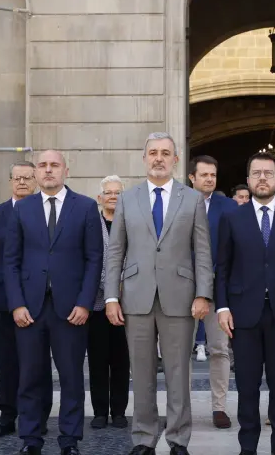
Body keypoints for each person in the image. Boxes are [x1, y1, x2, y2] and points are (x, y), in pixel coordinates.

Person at [104, 132, 212, 455]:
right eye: (153, 152)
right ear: (144, 158)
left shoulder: (191, 199)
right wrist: (111, 296)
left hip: (180, 297)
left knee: (179, 373)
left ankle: (178, 439)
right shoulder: (127, 198)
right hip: (135, 296)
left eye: (166, 152)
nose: (159, 158)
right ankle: (143, 438)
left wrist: (203, 293)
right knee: (141, 372)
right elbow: (115, 252)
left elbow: (202, 251)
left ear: (176, 160)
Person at [5, 150, 103, 455]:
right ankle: (30, 439)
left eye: (54, 165)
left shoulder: (86, 207)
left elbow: (94, 259)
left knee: (72, 377)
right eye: (43, 165)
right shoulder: (22, 209)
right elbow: (10, 261)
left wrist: (86, 303)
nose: (48, 170)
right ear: (35, 172)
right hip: (30, 309)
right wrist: (16, 304)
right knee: (30, 377)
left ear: (66, 170)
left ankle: (70, 439)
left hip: (71, 309)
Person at [215, 153, 275, 455]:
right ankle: (248, 446)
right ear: (248, 179)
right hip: (243, 315)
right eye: (256, 173)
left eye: (268, 173)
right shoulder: (232, 217)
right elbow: (223, 267)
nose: (262, 178)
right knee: (247, 386)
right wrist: (222, 307)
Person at [0, 161, 52, 439]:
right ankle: (8, 414)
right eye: (17, 178)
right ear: (10, 180)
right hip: (3, 297)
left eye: (28, 177)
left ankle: (39, 415)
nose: (22, 182)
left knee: (38, 361)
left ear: (36, 180)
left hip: (39, 298)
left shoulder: (47, 211)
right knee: (6, 360)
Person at [187, 155, 238, 429]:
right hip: (183, 289)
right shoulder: (177, 203)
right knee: (181, 351)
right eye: (204, 175)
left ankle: (219, 408)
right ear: (192, 177)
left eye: (213, 175)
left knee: (219, 349)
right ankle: (181, 407)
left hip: (219, 289)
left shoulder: (228, 207)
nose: (209, 179)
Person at [88, 175, 130, 430]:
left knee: (122, 361)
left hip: (126, 303)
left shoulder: (131, 223)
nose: (113, 196)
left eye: (117, 192)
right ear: (100, 198)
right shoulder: (92, 223)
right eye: (108, 192)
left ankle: (119, 412)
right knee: (97, 361)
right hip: (95, 304)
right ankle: (100, 412)